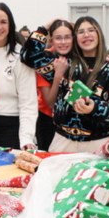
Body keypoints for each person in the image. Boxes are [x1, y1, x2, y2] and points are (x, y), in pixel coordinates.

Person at [22, 17, 109, 153]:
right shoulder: (63, 63)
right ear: (75, 38)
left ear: (99, 35)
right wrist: (45, 27)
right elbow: (28, 55)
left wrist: (94, 108)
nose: (86, 35)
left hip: (99, 144)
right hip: (62, 141)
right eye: (81, 32)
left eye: (91, 30)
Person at [0, 2, 38, 149]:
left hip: (12, 126)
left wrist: (26, 139)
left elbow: (28, 103)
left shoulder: (20, 56)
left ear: (10, 25)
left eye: (3, 22)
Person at [33, 19, 75, 151]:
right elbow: (50, 102)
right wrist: (58, 75)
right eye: (58, 38)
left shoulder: (78, 58)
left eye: (67, 37)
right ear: (51, 40)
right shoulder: (44, 61)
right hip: (48, 121)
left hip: (73, 119)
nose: (63, 42)